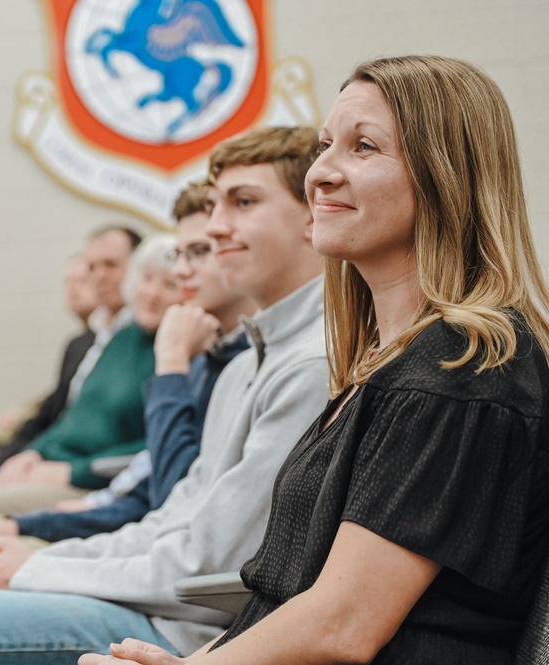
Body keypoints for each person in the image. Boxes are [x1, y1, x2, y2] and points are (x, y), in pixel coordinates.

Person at [79, 55, 549, 665]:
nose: (321, 173)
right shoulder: (380, 364)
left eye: (363, 148)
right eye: (327, 145)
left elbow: (343, 625)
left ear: (444, 174)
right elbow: (286, 598)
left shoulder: (458, 367)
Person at [0, 124, 329, 665]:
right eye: (213, 207)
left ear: (312, 217)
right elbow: (171, 515)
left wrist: (37, 566)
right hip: (158, 587)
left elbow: (205, 562)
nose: (217, 228)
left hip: (188, 629)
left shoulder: (306, 365)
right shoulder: (245, 364)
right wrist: (50, 554)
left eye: (243, 202)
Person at [0, 181, 257, 552]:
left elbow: (171, 498)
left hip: (139, 535)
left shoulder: (201, 353)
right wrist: (39, 463)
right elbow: (79, 425)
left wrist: (80, 499)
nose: (160, 289)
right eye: (181, 256)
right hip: (121, 513)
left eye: (200, 253)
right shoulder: (129, 339)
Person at [0, 234, 182, 516]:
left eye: (169, 285)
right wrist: (35, 452)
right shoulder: (122, 337)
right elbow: (73, 416)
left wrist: (71, 472)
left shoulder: (177, 354)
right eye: (147, 279)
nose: (152, 293)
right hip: (57, 462)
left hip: (95, 482)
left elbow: (156, 448)